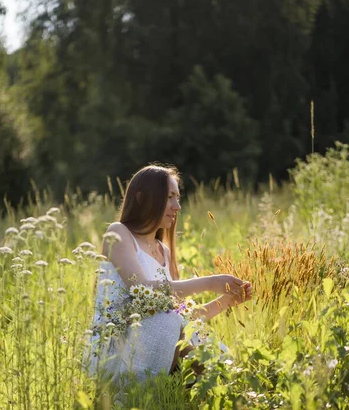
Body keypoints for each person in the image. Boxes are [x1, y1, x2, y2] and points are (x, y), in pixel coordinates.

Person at [86, 164, 252, 388]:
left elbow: (185, 318)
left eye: (178, 197)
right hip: (118, 350)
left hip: (159, 343)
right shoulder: (118, 233)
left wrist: (228, 300)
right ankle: (200, 383)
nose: (178, 206)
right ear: (143, 198)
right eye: (170, 197)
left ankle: (215, 385)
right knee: (167, 321)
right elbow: (142, 290)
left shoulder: (164, 251)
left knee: (188, 330)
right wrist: (210, 282)